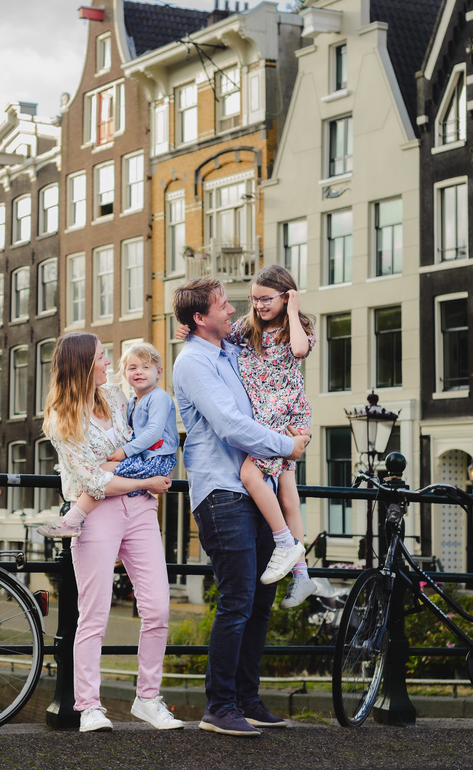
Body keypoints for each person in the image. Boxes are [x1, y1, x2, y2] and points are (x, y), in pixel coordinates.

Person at [172, 278, 310, 737]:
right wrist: (287, 446)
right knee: (236, 601)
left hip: (256, 488)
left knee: (260, 602)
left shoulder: (227, 350)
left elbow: (271, 357)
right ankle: (220, 707)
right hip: (221, 492)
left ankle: (248, 701)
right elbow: (231, 425)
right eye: (222, 304)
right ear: (199, 318)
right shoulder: (193, 361)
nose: (231, 309)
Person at [41, 332, 183, 733]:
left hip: (139, 510)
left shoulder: (118, 399)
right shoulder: (61, 419)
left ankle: (148, 699)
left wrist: (136, 475)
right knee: (94, 614)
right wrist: (147, 480)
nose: (111, 364)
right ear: (85, 364)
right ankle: (88, 706)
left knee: (157, 608)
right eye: (103, 357)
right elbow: (91, 481)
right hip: (98, 516)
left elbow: (148, 443)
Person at [175, 265, 317, 607]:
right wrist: (188, 330)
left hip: (282, 416)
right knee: (276, 490)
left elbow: (299, 350)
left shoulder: (292, 330)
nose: (248, 307)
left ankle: (297, 566)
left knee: (283, 493)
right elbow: (216, 335)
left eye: (264, 299)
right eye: (250, 300)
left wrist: (294, 310)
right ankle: (296, 562)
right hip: (265, 431)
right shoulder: (238, 337)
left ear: (286, 296)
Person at [38, 342, 178, 537]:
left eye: (146, 367)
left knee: (101, 470)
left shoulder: (150, 398)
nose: (108, 361)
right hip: (141, 467)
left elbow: (153, 432)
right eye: (132, 368)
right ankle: (78, 522)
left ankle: (73, 519)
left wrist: (125, 452)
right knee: (98, 475)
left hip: (156, 460)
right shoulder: (129, 402)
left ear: (159, 371)